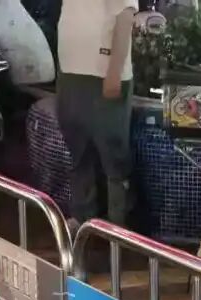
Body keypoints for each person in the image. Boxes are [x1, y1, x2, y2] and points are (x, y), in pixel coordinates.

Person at [56, 0, 138, 228]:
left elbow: (125, 17)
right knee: (78, 149)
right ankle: (83, 216)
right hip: (71, 72)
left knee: (113, 153)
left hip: (103, 74)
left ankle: (118, 225)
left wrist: (114, 71)